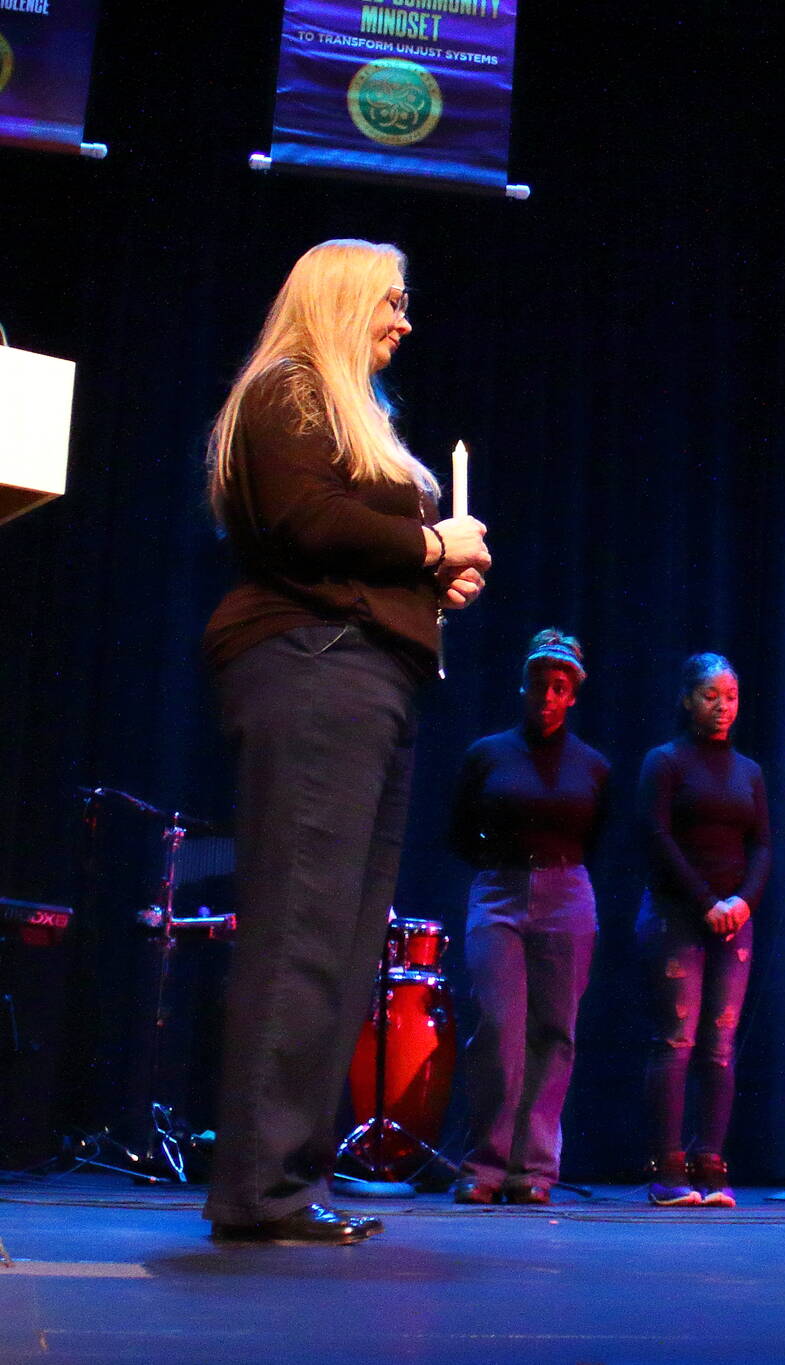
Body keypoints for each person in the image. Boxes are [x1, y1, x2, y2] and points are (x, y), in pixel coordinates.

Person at [199, 239, 490, 1243]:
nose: (405, 323)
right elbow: (308, 522)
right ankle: (259, 1188)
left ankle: (285, 1181)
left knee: (341, 939)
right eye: (391, 303)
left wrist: (428, 578)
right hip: (314, 667)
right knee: (302, 935)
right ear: (341, 302)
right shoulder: (289, 392)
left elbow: (344, 538)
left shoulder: (353, 412)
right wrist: (426, 546)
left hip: (366, 677)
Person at [446, 631, 609, 1206]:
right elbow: (459, 831)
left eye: (559, 687)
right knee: (496, 1026)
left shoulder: (592, 765)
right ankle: (486, 1164)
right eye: (539, 684)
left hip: (568, 892)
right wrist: (507, 866)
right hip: (499, 890)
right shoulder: (488, 753)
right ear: (523, 686)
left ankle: (534, 1169)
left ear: (572, 696)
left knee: (554, 1031)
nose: (547, 695)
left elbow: (600, 838)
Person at [638, 653, 771, 1207]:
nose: (722, 706)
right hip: (678, 917)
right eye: (711, 695)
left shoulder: (749, 771)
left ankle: (711, 1162)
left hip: (732, 923)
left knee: (719, 1048)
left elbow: (762, 844)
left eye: (731, 695)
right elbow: (657, 836)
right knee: (677, 1041)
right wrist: (707, 901)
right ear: (688, 699)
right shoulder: (665, 762)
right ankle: (668, 1168)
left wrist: (742, 902)